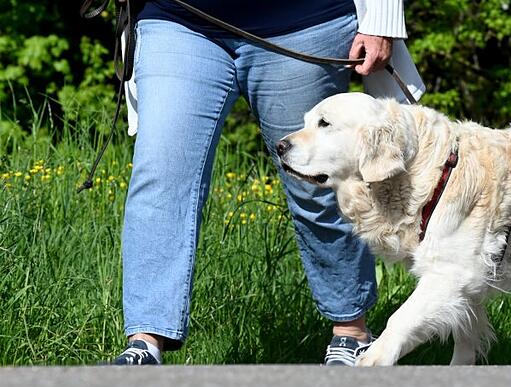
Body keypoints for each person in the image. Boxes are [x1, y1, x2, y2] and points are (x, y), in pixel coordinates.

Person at [111, 0, 410, 366]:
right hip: (176, 18)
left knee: (317, 185)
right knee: (161, 176)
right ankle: (145, 345)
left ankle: (352, 336)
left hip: (305, 21)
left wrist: (381, 20)